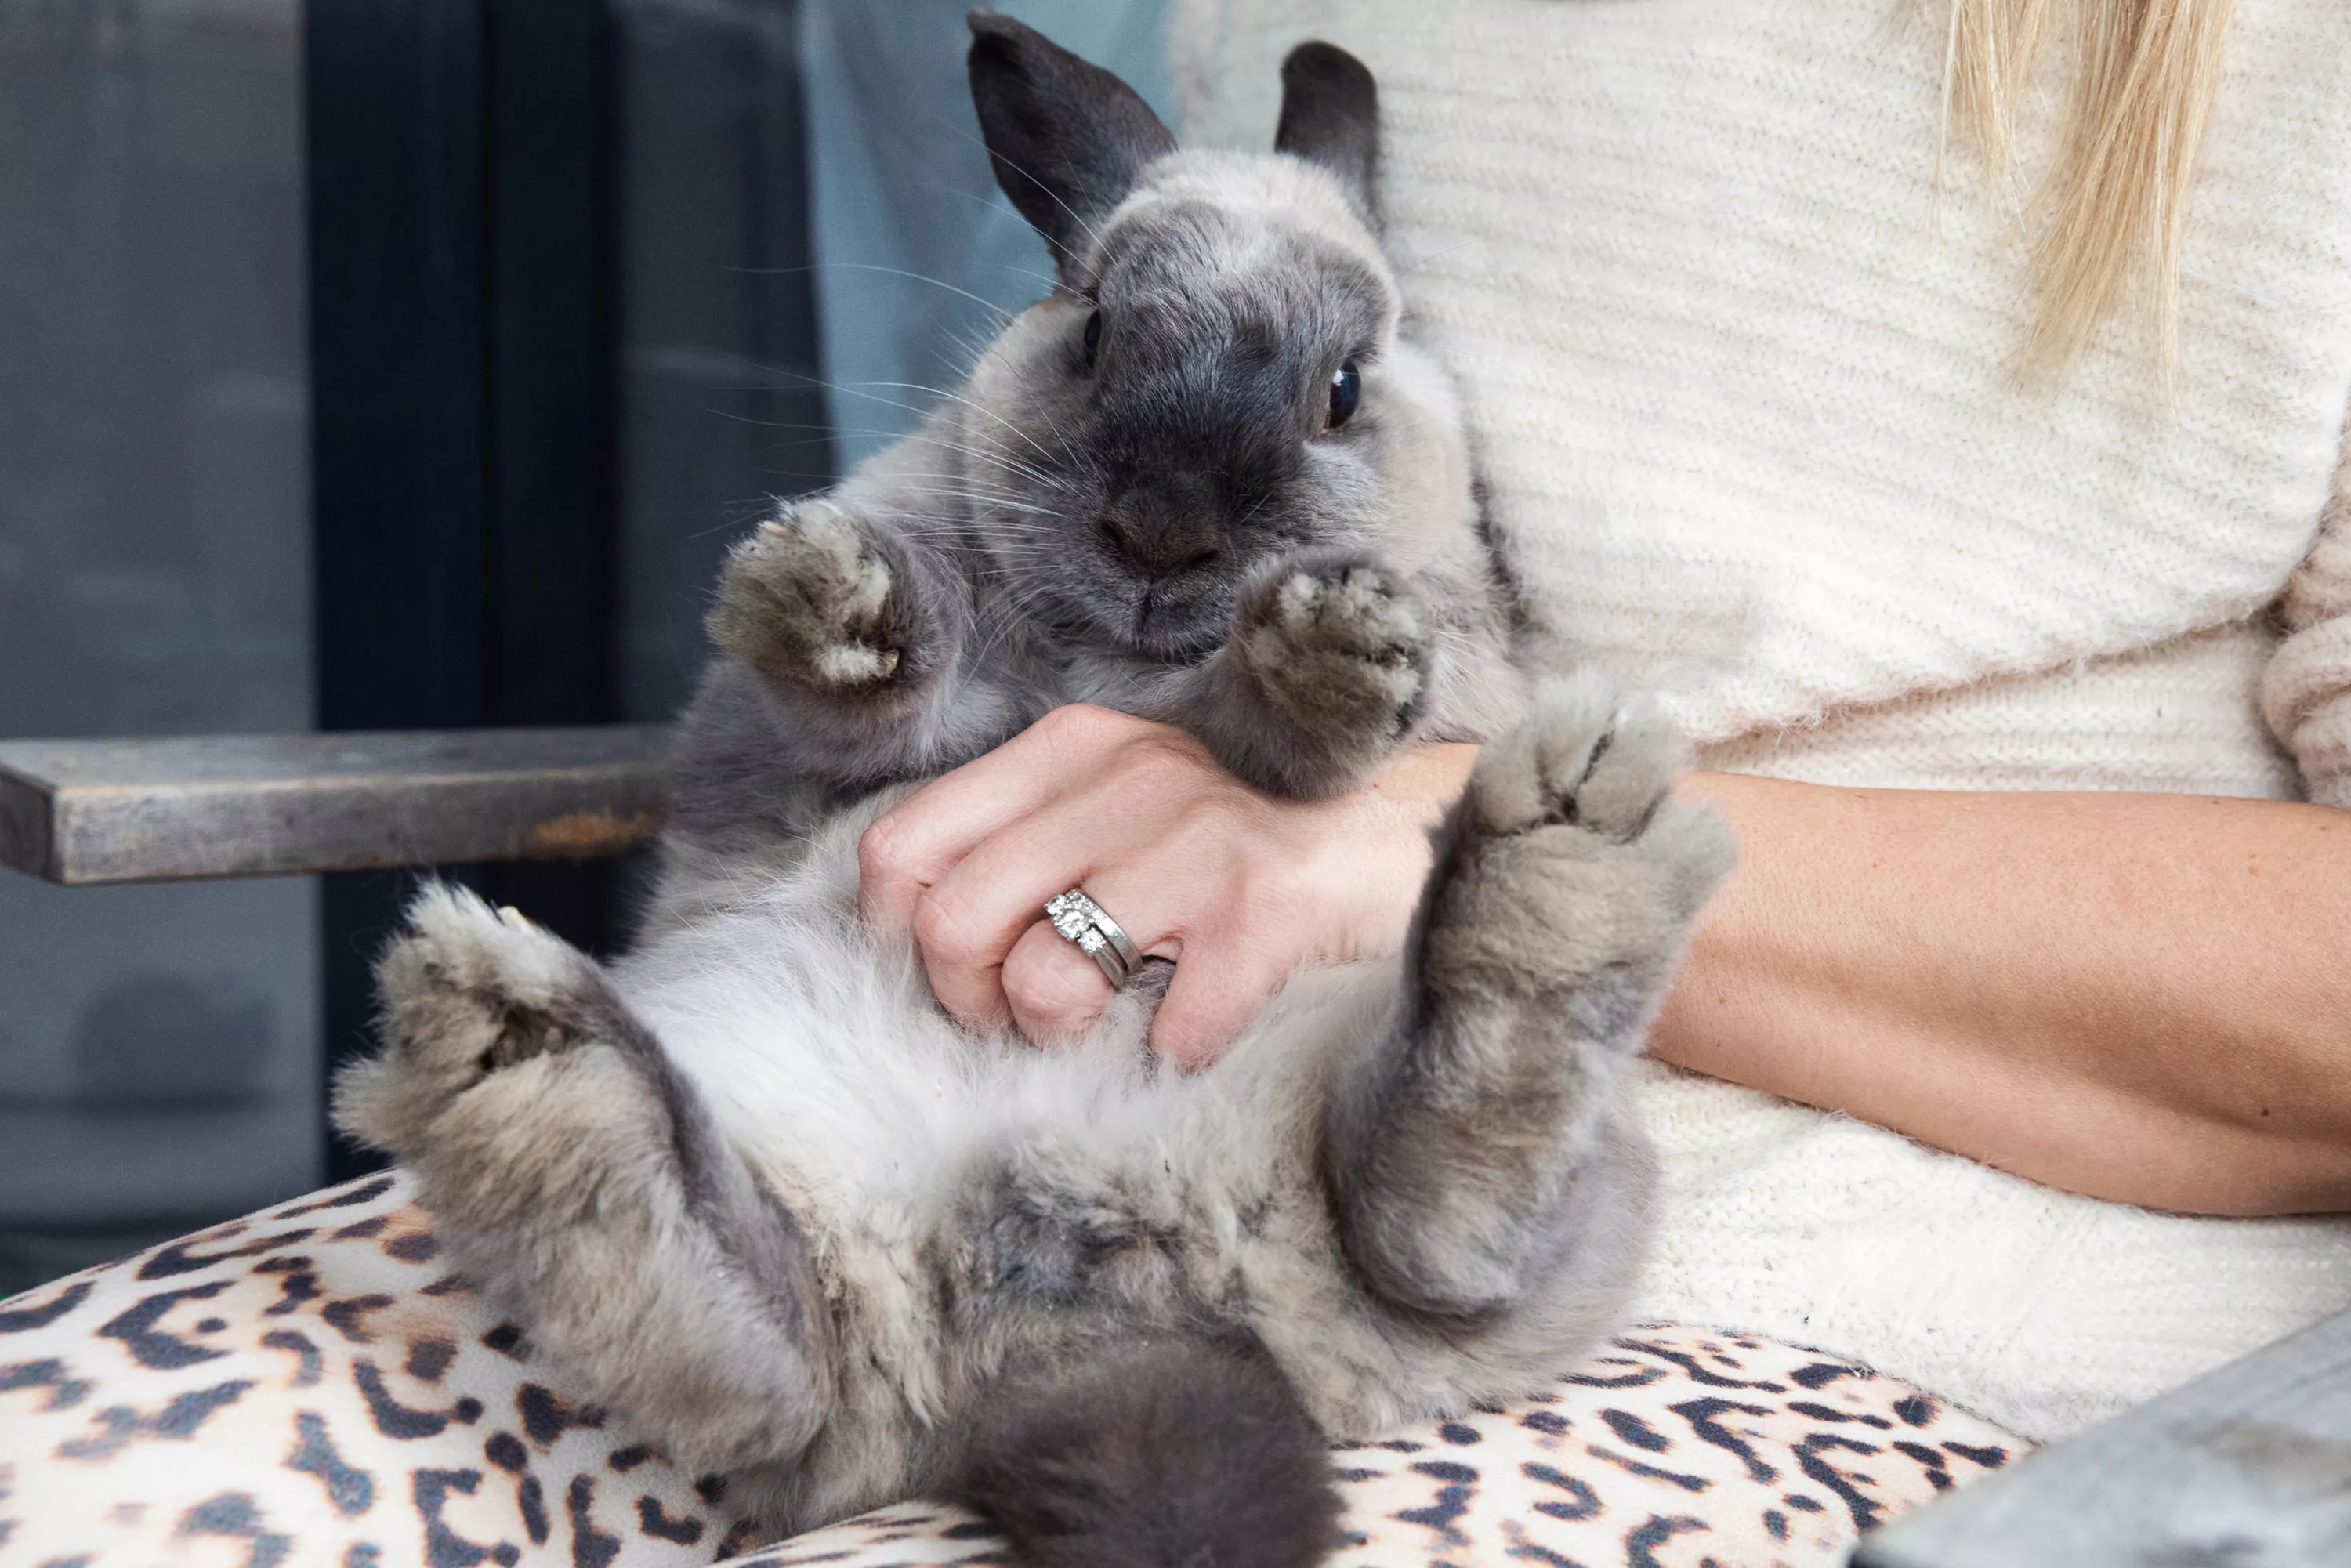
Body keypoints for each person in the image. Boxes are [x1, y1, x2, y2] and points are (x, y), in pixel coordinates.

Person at [5, 5, 2346, 1566]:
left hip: (1835, 1301)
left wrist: (1403, 826)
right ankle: (709, 1256)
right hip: (908, 1105)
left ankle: (1462, 1085)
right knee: (74, 1487)